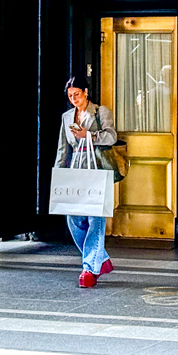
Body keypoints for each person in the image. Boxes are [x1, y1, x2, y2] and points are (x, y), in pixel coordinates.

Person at [54, 75, 117, 289]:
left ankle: (89, 269)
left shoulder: (101, 112)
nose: (74, 99)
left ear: (86, 92)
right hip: (76, 170)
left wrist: (88, 135)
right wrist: (59, 175)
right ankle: (102, 258)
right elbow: (63, 149)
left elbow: (111, 137)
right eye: (70, 96)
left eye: (77, 94)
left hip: (97, 169)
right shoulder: (66, 117)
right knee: (73, 218)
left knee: (95, 219)